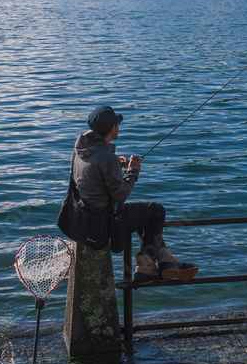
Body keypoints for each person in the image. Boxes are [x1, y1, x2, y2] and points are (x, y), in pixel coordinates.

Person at [71, 104, 198, 283]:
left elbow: (94, 171)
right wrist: (133, 172)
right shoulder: (106, 158)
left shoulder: (81, 152)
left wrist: (115, 162)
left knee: (142, 214)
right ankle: (149, 264)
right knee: (155, 211)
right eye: (117, 124)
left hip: (85, 218)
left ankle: (165, 260)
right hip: (104, 222)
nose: (118, 127)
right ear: (112, 128)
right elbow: (120, 195)